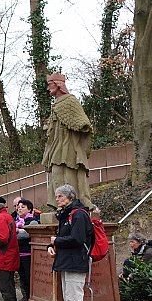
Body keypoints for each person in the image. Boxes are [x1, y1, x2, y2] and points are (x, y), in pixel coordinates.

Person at [47, 184, 98, 301]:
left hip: (75, 262)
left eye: (60, 196)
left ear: (70, 197)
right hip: (68, 261)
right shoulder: (67, 215)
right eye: (56, 196)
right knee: (75, 300)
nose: (57, 199)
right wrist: (53, 246)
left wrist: (57, 241)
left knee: (73, 300)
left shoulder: (78, 215)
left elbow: (77, 239)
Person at [41, 72, 95, 210]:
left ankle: (73, 205)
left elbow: (83, 123)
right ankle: (59, 206)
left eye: (50, 85)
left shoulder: (70, 101)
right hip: (56, 148)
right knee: (56, 177)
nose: (48, 89)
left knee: (69, 177)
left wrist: (81, 126)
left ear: (58, 85)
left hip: (69, 148)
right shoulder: (56, 104)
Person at [15, 199, 39, 301]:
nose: (19, 208)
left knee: (29, 278)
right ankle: (25, 298)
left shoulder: (32, 220)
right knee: (22, 278)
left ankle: (31, 299)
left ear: (29, 209)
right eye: (18, 206)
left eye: (23, 206)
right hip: (18, 254)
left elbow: (27, 234)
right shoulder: (16, 221)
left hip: (28, 254)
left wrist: (16, 232)